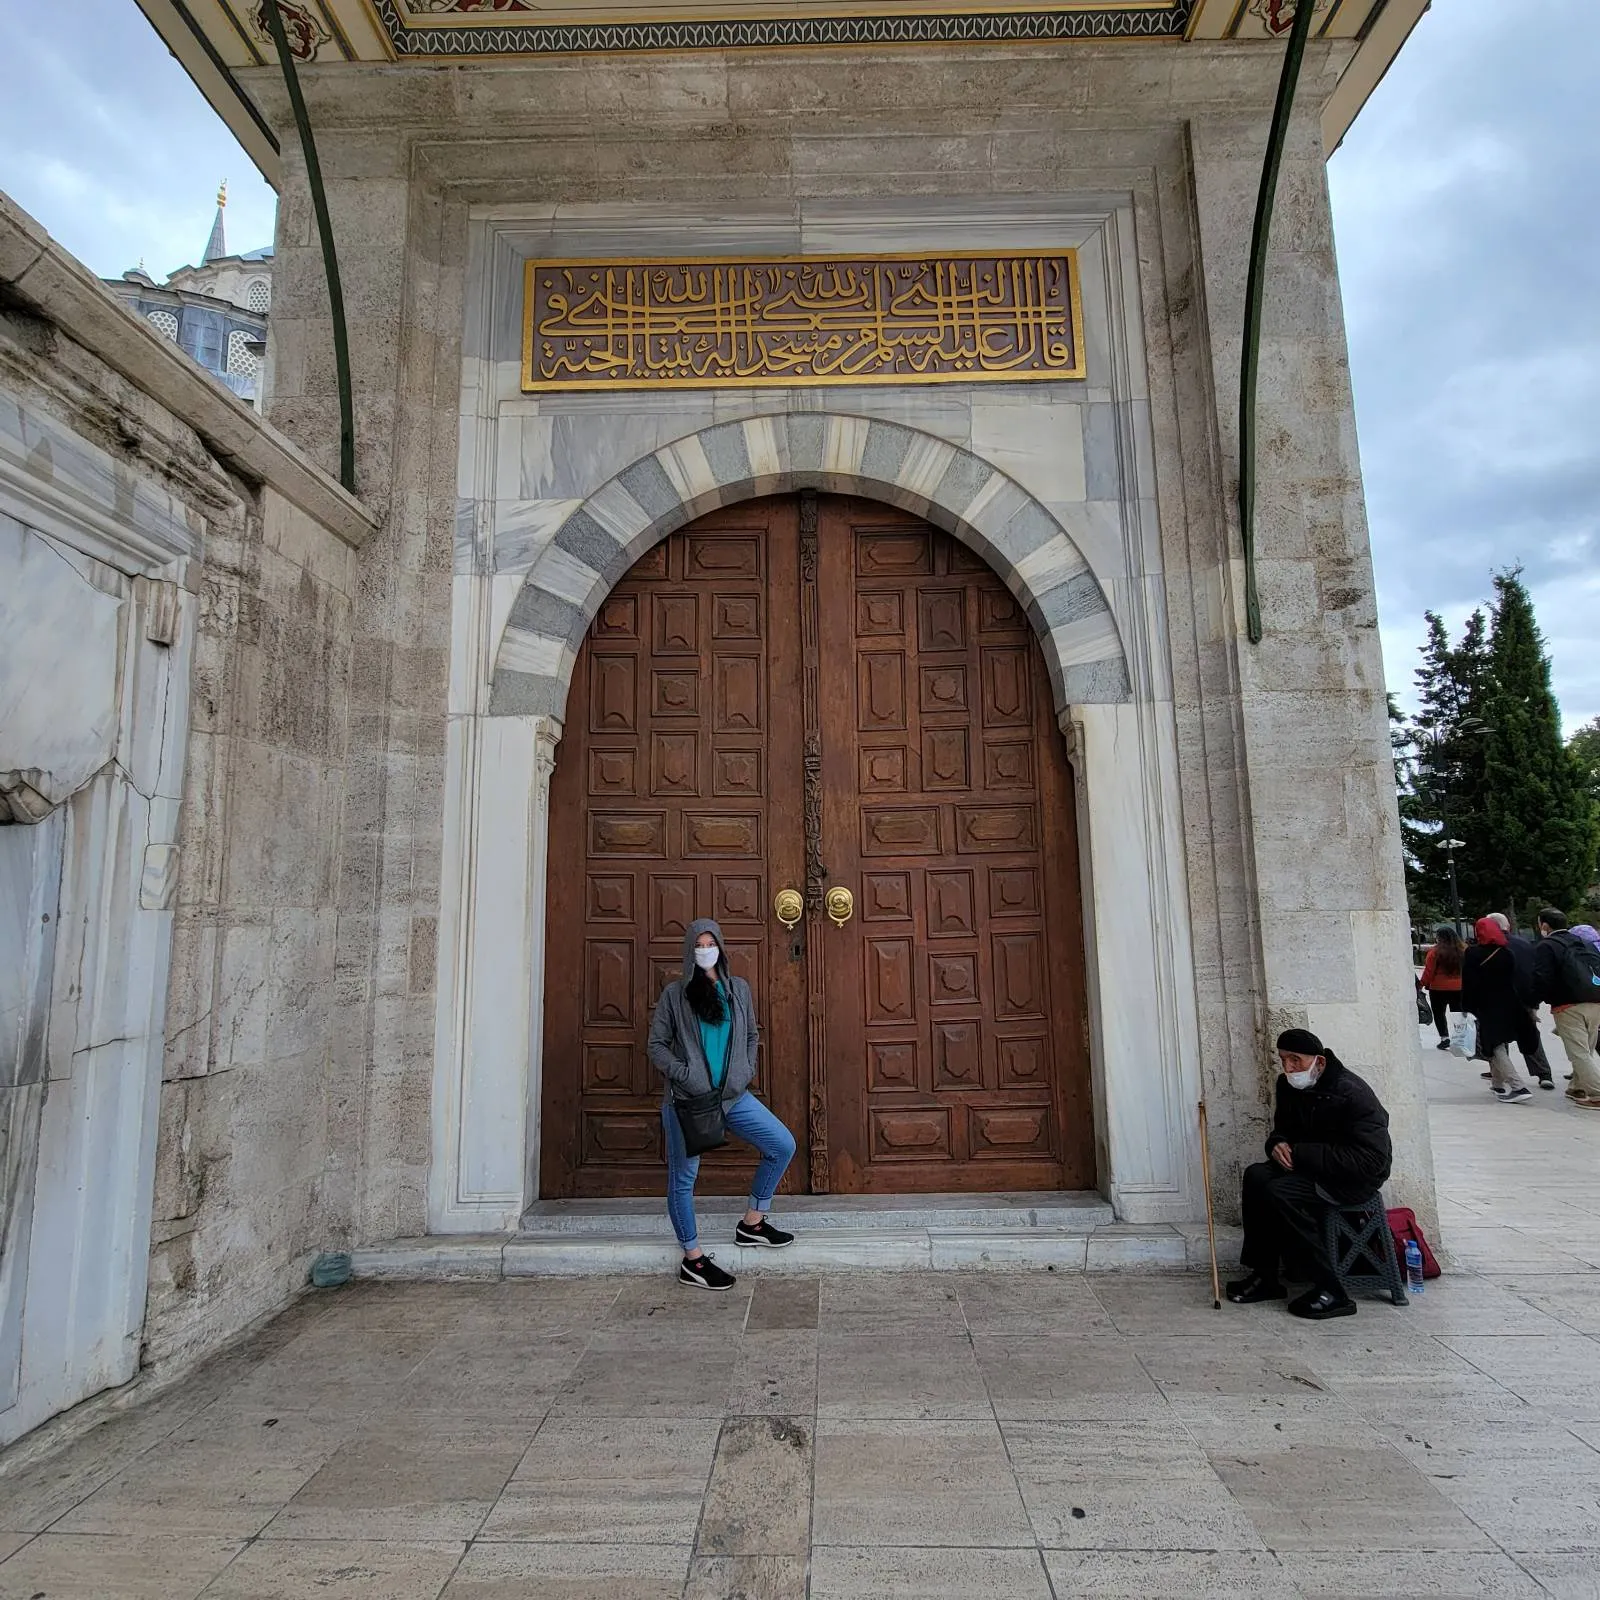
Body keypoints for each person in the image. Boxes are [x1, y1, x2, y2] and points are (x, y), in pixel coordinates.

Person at [648, 917, 797, 1289]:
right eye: (697, 945)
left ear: (721, 947)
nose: (704, 950)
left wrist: (744, 1072)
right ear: (689, 951)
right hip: (689, 1102)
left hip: (734, 1098)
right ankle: (693, 1259)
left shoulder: (738, 990)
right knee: (684, 1179)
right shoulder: (675, 995)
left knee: (782, 1144)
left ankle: (752, 1223)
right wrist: (685, 1074)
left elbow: (751, 1034)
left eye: (709, 943)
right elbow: (656, 1046)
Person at [1226, 1028, 1393, 1320]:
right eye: (1284, 1060)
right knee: (1256, 1177)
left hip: (1350, 1179)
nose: (1289, 1068)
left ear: (1319, 1062)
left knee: (1280, 1192)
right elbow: (1283, 1129)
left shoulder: (1352, 1093)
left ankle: (1331, 1288)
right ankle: (1264, 1275)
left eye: (1296, 1060)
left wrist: (1301, 1153)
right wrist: (1276, 1144)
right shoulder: (1288, 1086)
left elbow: (1372, 1159)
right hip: (1307, 1169)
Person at [1460, 916, 1535, 1102]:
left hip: (1487, 1005)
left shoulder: (1473, 953)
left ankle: (1518, 1086)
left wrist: (1465, 1007)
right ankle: (1498, 1085)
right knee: (1497, 1042)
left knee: (1494, 1046)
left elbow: (1469, 983)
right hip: (1509, 1003)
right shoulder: (1507, 952)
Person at [1533, 907, 1600, 1109]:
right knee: (1585, 1049)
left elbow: (1542, 978)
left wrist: (1534, 1001)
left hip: (1568, 1004)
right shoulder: (1585, 943)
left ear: (1544, 925)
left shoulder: (1548, 945)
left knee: (1578, 1052)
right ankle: (1577, 1087)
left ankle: (1597, 1093)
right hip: (1595, 1000)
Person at [1419, 926, 1465, 1050]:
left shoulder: (1434, 952)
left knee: (1439, 1013)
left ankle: (1444, 1038)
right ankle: (1461, 1038)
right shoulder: (1463, 950)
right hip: (1459, 988)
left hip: (1438, 989)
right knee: (1458, 1013)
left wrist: (1420, 985)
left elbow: (1429, 972)